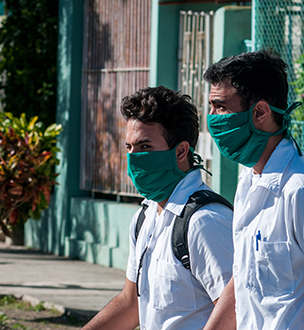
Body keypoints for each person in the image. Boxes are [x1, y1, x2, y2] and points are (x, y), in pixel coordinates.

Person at [202, 50, 304, 330]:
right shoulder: (248, 180)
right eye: (211, 107)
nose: (212, 118)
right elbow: (242, 279)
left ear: (260, 112)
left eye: (221, 107)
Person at [82, 86, 234, 330]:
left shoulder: (206, 222)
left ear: (181, 151)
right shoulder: (145, 216)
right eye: (129, 147)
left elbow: (237, 313)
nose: (133, 158)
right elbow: (131, 304)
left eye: (145, 147)